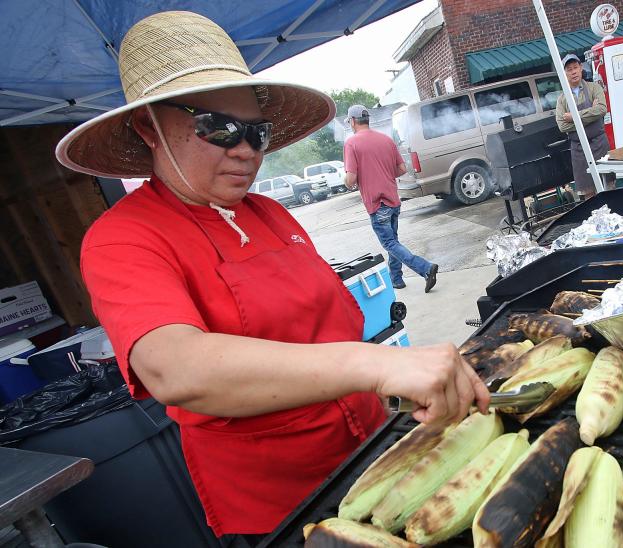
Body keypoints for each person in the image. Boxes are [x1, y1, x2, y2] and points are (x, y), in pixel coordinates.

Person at [56, 11, 488, 541]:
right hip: (282, 504)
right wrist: (374, 363)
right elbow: (176, 368)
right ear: (149, 128)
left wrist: (397, 389)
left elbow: (322, 331)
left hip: (377, 454)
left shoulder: (269, 213)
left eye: (256, 133)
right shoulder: (123, 238)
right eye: (218, 128)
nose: (244, 150)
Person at [344, 105, 439, 292]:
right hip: (394, 200)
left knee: (389, 243)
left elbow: (351, 179)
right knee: (394, 241)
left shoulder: (352, 143)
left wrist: (346, 179)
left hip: (378, 204)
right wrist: (384, 173)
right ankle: (396, 278)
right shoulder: (386, 139)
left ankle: (426, 268)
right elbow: (402, 169)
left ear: (353, 121)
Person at [554, 54, 613, 200]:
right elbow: (562, 125)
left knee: (609, 188)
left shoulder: (594, 88)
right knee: (589, 195)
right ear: (564, 73)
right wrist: (590, 115)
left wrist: (573, 116)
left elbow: (601, 110)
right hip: (579, 150)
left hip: (600, 144)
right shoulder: (562, 100)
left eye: (575, 68)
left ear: (581, 68)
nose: (573, 72)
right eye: (569, 69)